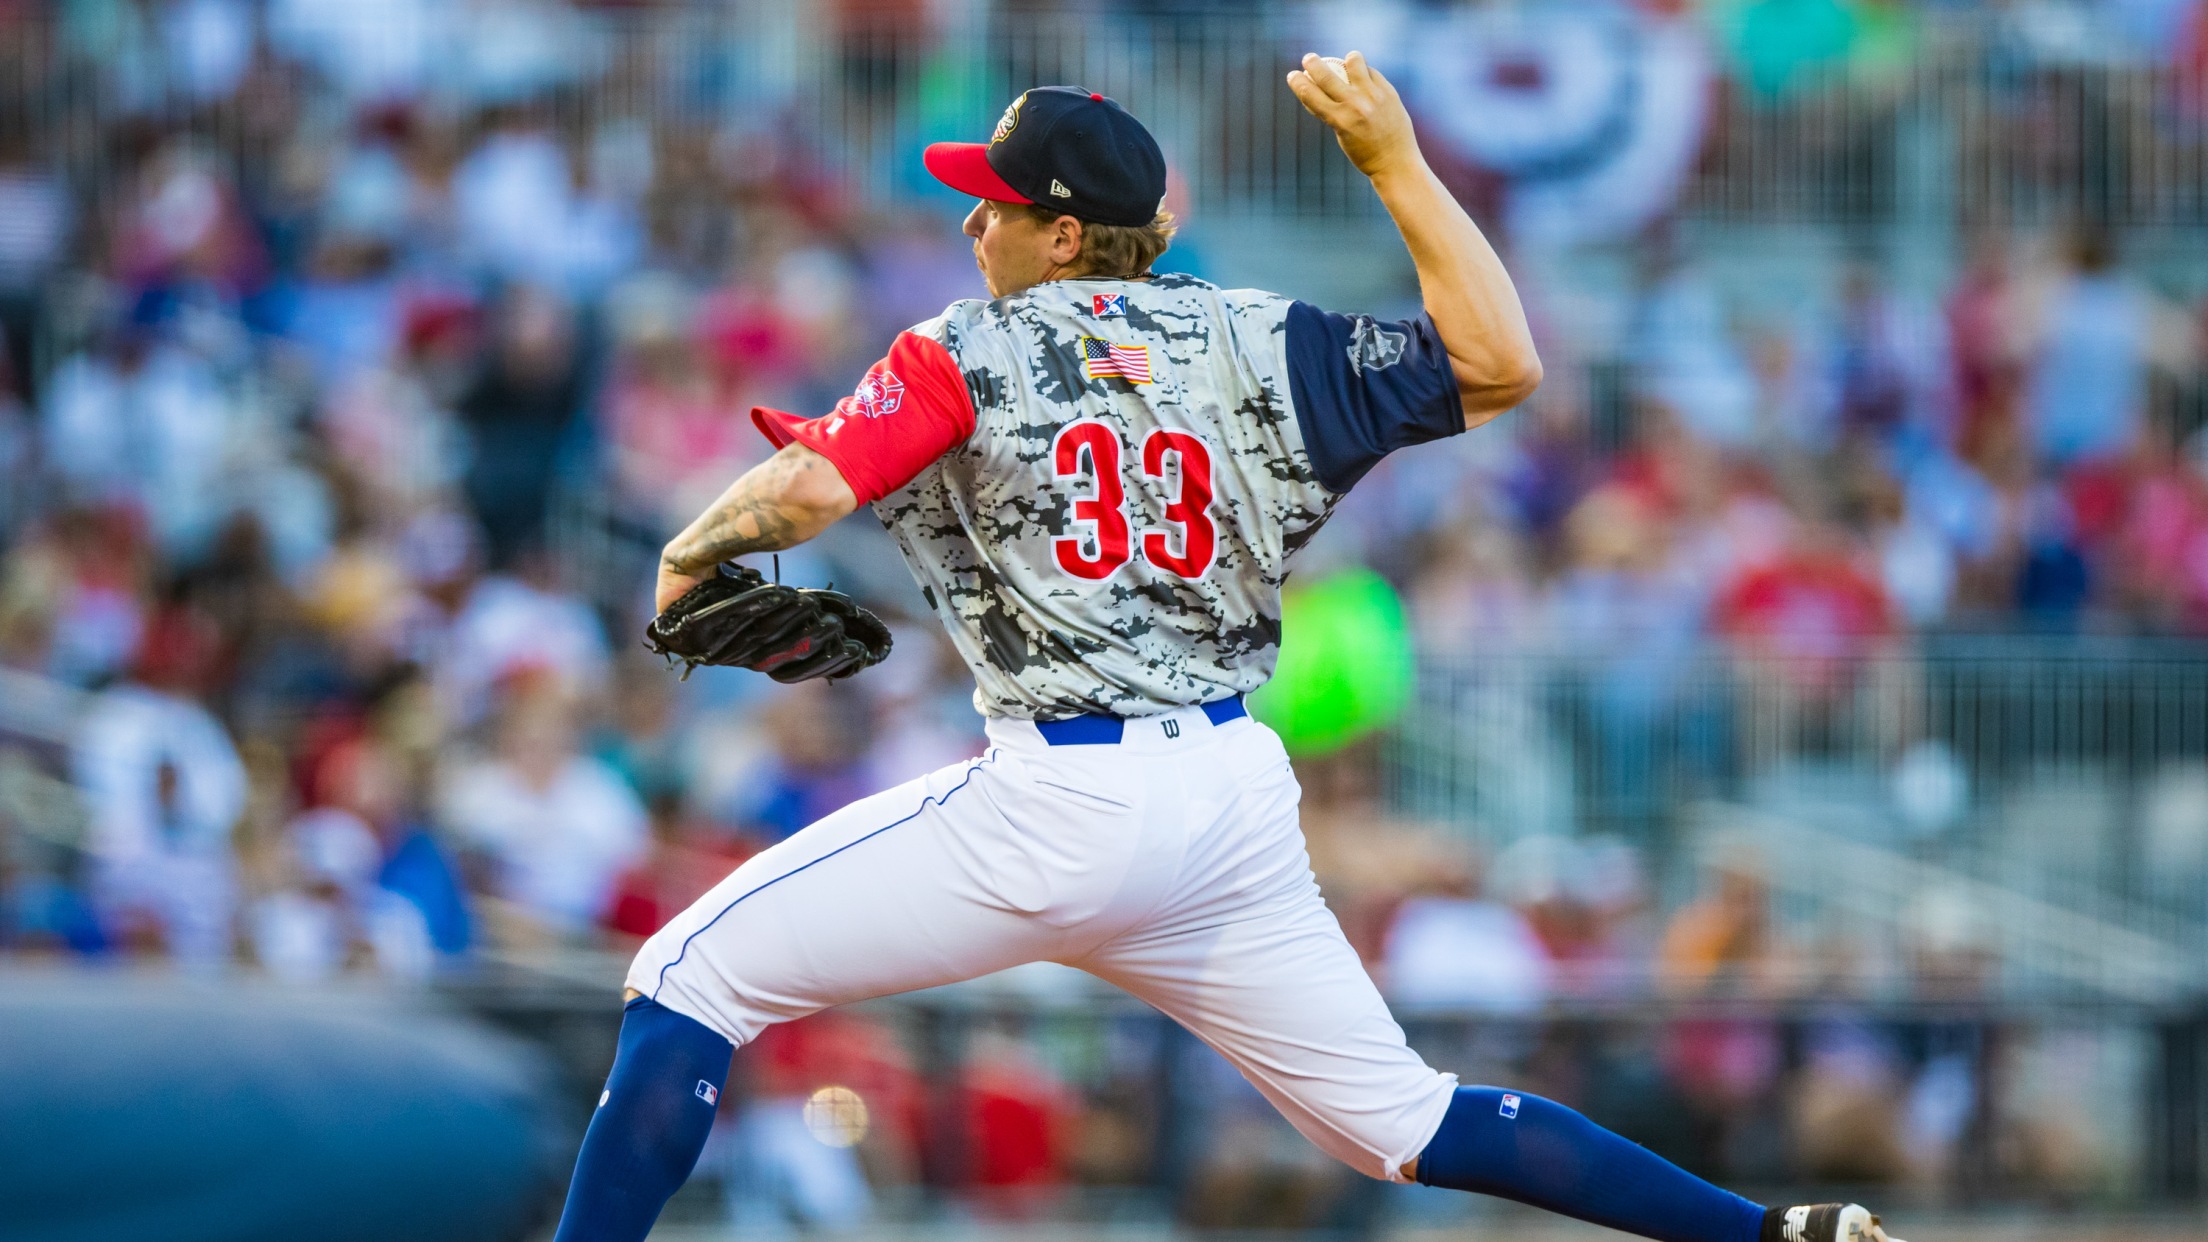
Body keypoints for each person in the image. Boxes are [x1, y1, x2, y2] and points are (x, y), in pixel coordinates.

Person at [550, 56, 1903, 1242]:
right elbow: (1502, 363)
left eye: (997, 204)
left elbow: (806, 493)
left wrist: (687, 556)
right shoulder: (1260, 340)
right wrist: (1396, 162)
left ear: (1064, 235)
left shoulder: (965, 349)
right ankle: (1767, 1233)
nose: (972, 223)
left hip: (1059, 803)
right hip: (1226, 804)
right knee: (1406, 1119)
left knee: (687, 977)